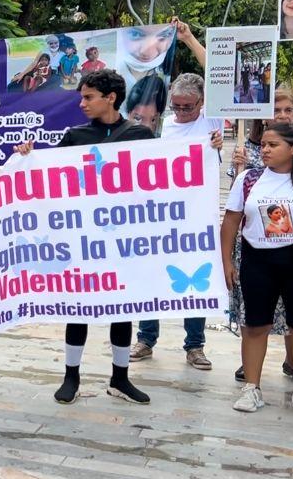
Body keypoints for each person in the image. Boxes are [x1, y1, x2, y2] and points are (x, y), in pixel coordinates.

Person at [13, 69, 156, 405]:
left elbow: (164, 177)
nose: (82, 103)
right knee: (77, 304)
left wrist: (210, 149)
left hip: (123, 238)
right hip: (82, 239)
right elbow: (49, 175)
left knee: (123, 306)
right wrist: (28, 159)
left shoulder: (140, 136)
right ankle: (71, 375)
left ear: (111, 98)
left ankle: (120, 378)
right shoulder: (75, 136)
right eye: (81, 97)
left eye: (88, 97)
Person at [224, 124, 293, 418]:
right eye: (264, 144)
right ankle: (251, 388)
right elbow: (230, 222)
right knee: (255, 327)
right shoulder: (248, 179)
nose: (265, 150)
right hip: (257, 261)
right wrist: (227, 262)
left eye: (274, 145)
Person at [129, 73, 224, 369]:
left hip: (194, 218)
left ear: (202, 102)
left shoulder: (210, 122)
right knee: (151, 277)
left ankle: (195, 345)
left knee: (195, 279)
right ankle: (146, 338)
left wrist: (187, 37)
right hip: (156, 217)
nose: (182, 112)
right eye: (177, 106)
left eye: (188, 107)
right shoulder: (160, 127)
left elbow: (222, 74)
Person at [115, 24, 175, 93]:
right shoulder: (111, 72)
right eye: (135, 34)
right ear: (120, 35)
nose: (147, 52)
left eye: (163, 36)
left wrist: (187, 38)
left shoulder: (164, 74)